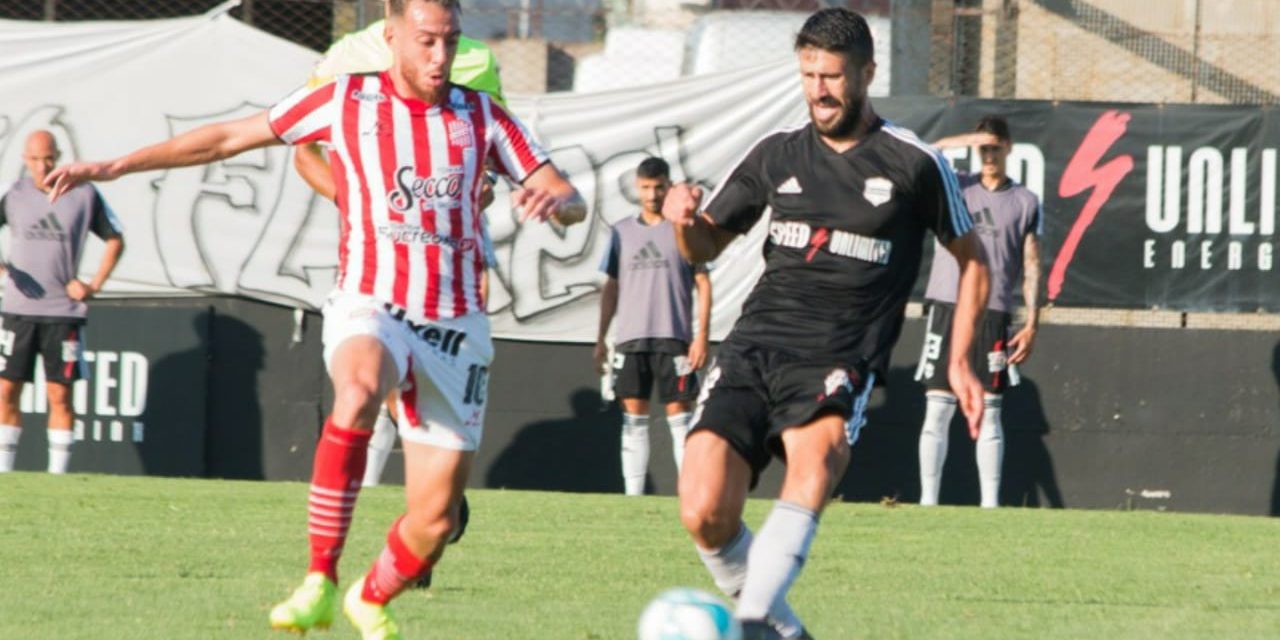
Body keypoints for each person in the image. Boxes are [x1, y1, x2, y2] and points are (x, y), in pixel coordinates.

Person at [44, 1, 586, 638]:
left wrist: (560, 200)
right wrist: (112, 167)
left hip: (457, 323)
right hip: (372, 300)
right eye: (426, 42)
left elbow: (570, 198)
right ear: (392, 38)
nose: (440, 58)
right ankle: (318, 580)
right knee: (356, 390)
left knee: (435, 522)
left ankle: (371, 593)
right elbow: (225, 137)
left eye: (450, 42)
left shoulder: (483, 115)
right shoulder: (345, 99)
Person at [660, 9, 989, 639]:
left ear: (867, 73)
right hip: (755, 344)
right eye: (809, 74)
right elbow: (701, 249)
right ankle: (785, 633)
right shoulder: (776, 153)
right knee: (703, 511)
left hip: (839, 351)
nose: (819, 89)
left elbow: (973, 261)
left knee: (816, 458)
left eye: (833, 76)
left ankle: (754, 623)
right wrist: (683, 218)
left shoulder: (913, 162)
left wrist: (960, 357)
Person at [293, 15, 508, 490]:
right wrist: (352, 199)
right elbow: (303, 151)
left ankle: (433, 501)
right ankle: (371, 492)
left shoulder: (475, 57)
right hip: (377, 251)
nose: (439, 54)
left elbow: (495, 152)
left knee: (421, 381)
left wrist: (477, 191)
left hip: (453, 251)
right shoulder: (347, 55)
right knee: (376, 370)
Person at [916, 116, 1043, 509]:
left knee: (990, 410)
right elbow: (928, 153)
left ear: (1009, 148)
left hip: (994, 311)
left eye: (995, 147)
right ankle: (927, 503)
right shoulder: (958, 185)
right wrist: (970, 137)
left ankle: (990, 507)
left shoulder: (1025, 201)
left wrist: (1032, 321)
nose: (989, 155)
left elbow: (1032, 263)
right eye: (983, 148)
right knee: (938, 407)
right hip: (947, 304)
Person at [0, 130, 125, 475]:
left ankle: (58, 479)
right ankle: (4, 473)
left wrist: (93, 284)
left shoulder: (83, 193)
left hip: (62, 313)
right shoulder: (14, 194)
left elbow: (115, 239)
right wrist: (4, 272)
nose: (44, 165)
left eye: (49, 157)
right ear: (26, 159)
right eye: (36, 159)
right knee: (6, 390)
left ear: (58, 155)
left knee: (60, 394)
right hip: (17, 312)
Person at [594, 157, 711, 496]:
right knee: (633, 419)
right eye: (646, 187)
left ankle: (689, 494)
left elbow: (702, 281)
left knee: (680, 419)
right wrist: (600, 338)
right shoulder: (622, 232)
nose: (652, 194)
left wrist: (701, 335)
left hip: (674, 337)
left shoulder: (685, 228)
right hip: (631, 337)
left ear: (669, 186)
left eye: (659, 186)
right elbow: (611, 286)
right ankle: (633, 500)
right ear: (637, 187)